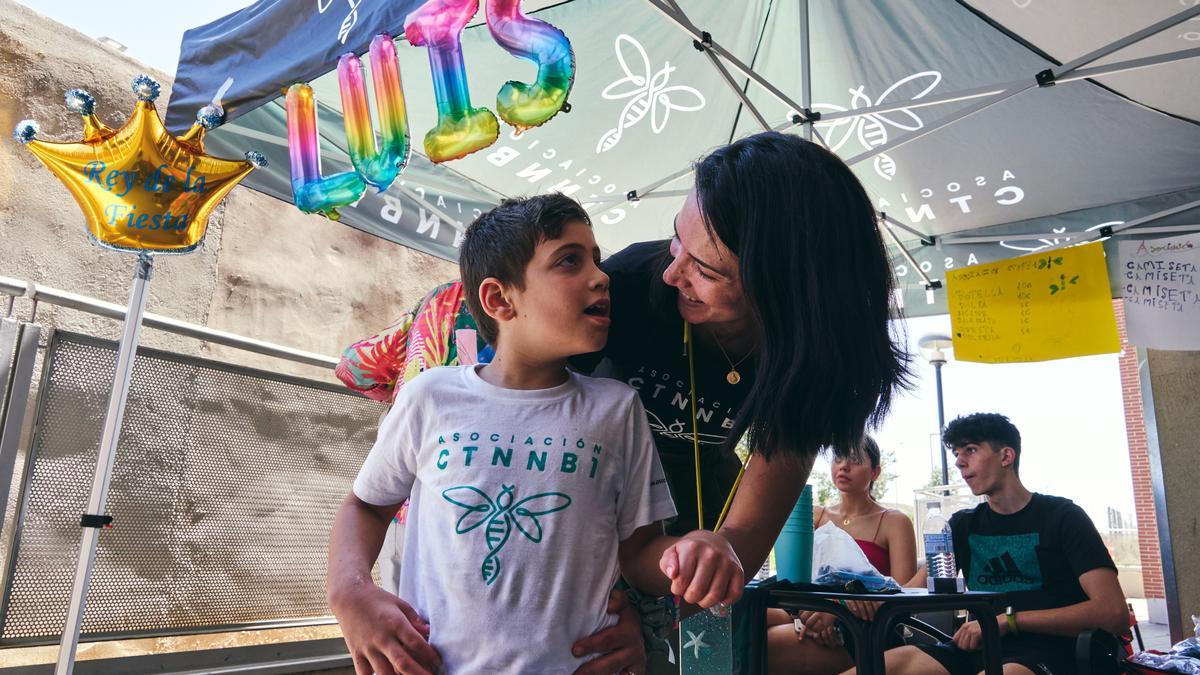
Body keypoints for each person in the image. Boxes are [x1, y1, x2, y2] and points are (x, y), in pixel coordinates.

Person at [337, 131, 910, 673]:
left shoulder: (808, 366)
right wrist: (352, 589)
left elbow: (738, 542)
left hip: (670, 545)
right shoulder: (632, 290)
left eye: (705, 269)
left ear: (781, 290)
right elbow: (519, 413)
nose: (673, 270)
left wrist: (652, 620)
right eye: (677, 239)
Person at [326, 194, 744, 675]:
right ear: (499, 298)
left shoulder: (616, 409)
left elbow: (637, 553)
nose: (601, 276)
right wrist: (350, 590)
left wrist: (691, 552)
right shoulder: (431, 397)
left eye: (596, 259)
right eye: (569, 260)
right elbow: (365, 505)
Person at [862, 413, 1128, 675]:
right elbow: (913, 592)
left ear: (1006, 456)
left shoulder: (1063, 517)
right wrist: (848, 605)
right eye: (956, 453)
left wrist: (1009, 621)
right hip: (978, 648)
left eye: (971, 450)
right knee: (885, 665)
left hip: (1053, 651)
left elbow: (1112, 612)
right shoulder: (962, 525)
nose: (958, 462)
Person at [765, 436, 917, 674]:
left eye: (855, 460)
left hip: (864, 628)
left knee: (763, 643)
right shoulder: (812, 515)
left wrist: (838, 606)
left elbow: (906, 593)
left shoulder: (894, 521)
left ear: (875, 472)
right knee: (746, 621)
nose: (844, 466)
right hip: (804, 612)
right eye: (838, 458)